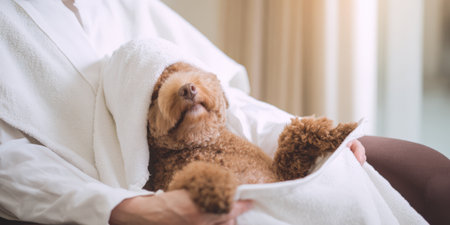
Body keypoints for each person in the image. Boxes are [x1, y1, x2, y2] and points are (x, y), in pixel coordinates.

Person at [0, 0, 366, 224]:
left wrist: (303, 135)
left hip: (253, 177)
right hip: (126, 204)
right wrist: (127, 209)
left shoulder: (129, 6)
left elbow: (223, 99)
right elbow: (10, 162)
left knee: (388, 180)